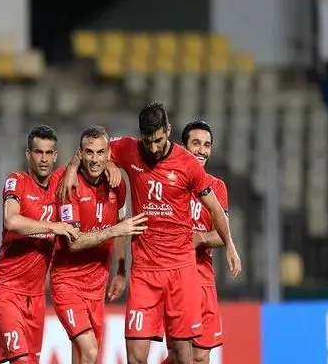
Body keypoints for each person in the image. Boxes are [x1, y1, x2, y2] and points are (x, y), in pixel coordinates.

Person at [58, 102, 241, 364]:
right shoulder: (129, 149)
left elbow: (214, 208)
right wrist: (73, 169)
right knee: (135, 355)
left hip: (180, 271)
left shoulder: (187, 164)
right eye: (148, 141)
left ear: (168, 130)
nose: (153, 148)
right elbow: (92, 149)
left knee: (184, 356)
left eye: (158, 141)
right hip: (144, 271)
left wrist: (230, 245)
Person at [50, 126, 148, 364]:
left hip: (97, 286)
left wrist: (121, 270)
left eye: (100, 152)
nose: (95, 159)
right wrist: (115, 230)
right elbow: (73, 243)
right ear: (80, 154)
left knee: (83, 356)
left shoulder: (118, 185)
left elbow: (122, 224)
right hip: (67, 283)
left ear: (109, 154)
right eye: (89, 152)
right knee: (90, 351)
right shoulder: (69, 185)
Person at [0, 125, 79, 363]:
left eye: (49, 153)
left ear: (55, 155)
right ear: (28, 154)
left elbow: (88, 150)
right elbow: (11, 221)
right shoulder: (17, 181)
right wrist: (52, 226)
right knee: (20, 360)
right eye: (39, 152)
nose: (44, 159)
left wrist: (80, 167)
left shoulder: (59, 183)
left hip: (36, 296)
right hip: (8, 290)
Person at [163, 121, 229, 364]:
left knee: (201, 355)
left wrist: (198, 238)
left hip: (204, 278)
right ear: (183, 147)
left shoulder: (217, 187)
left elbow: (222, 234)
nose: (202, 150)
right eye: (196, 143)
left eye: (207, 145)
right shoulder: (169, 182)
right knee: (180, 355)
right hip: (176, 278)